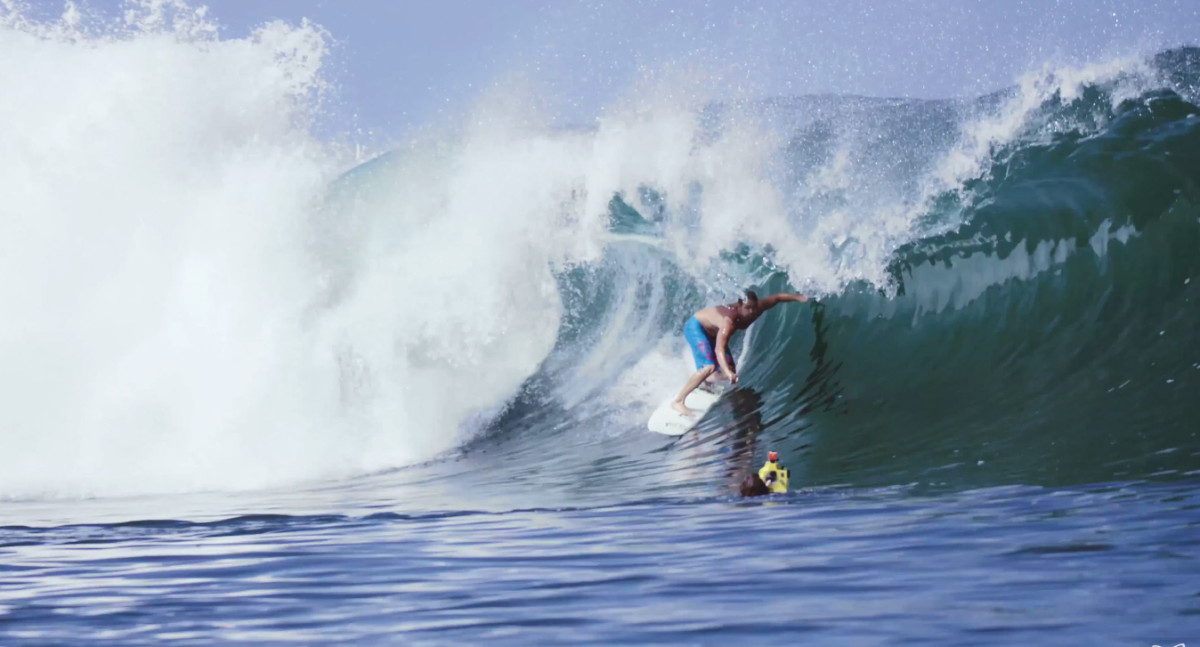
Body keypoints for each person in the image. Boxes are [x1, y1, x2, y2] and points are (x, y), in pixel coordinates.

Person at [671, 289, 809, 416]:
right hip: (697, 327)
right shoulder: (728, 321)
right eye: (747, 308)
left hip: (712, 332)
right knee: (710, 367)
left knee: (729, 371)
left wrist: (800, 297)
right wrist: (726, 369)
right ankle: (678, 401)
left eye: (753, 307)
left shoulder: (757, 308)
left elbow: (777, 297)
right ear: (739, 306)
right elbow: (719, 349)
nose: (751, 312)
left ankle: (704, 381)